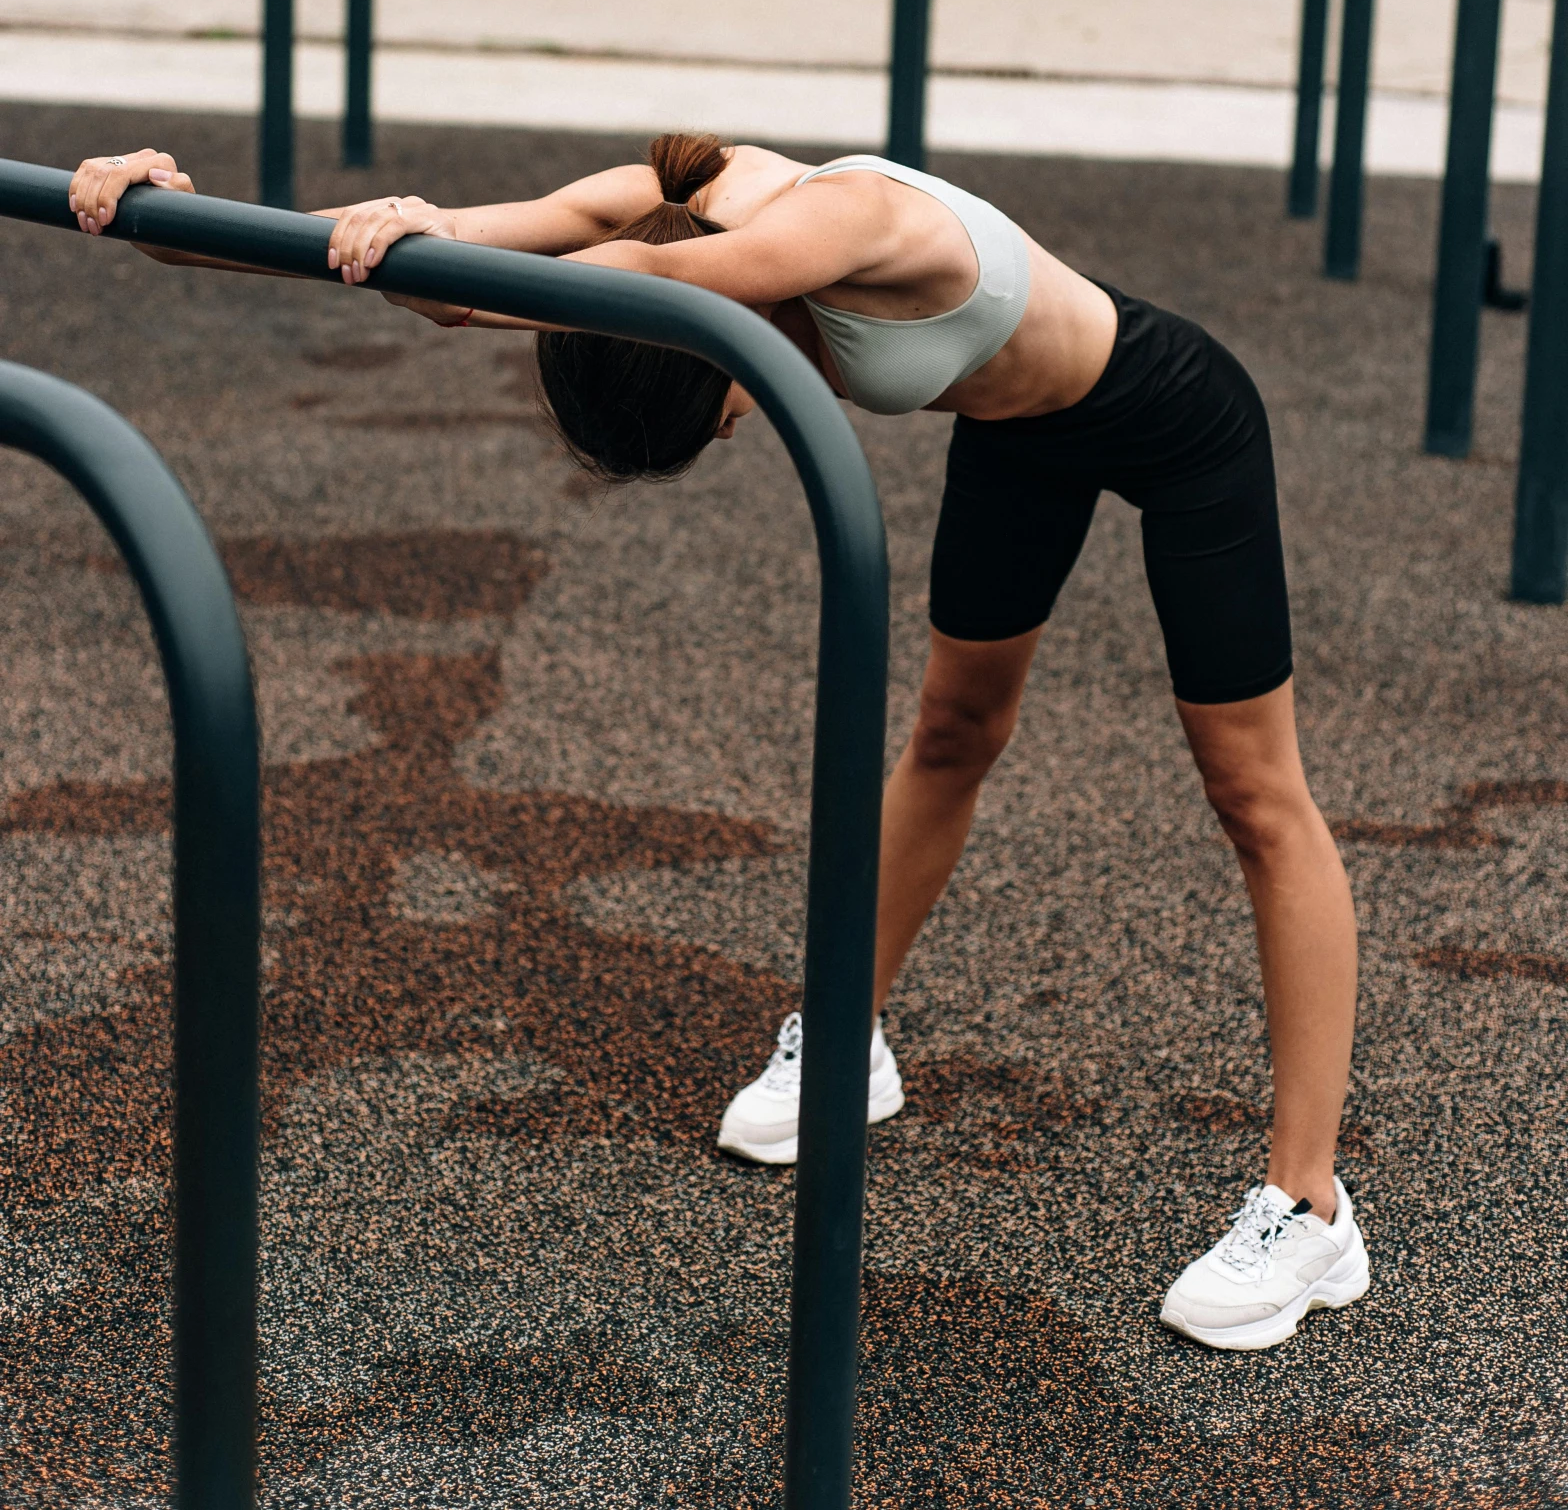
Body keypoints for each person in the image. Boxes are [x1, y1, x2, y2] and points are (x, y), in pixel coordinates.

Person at [68, 133, 1369, 1351]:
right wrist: (149, 218)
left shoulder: (829, 224)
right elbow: (399, 256)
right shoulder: (665, 208)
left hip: (1176, 413)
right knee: (954, 730)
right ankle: (846, 1039)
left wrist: (472, 269)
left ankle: (1310, 1212)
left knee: (1254, 793)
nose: (750, 412)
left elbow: (647, 277)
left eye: (733, 400)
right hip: (1013, 431)